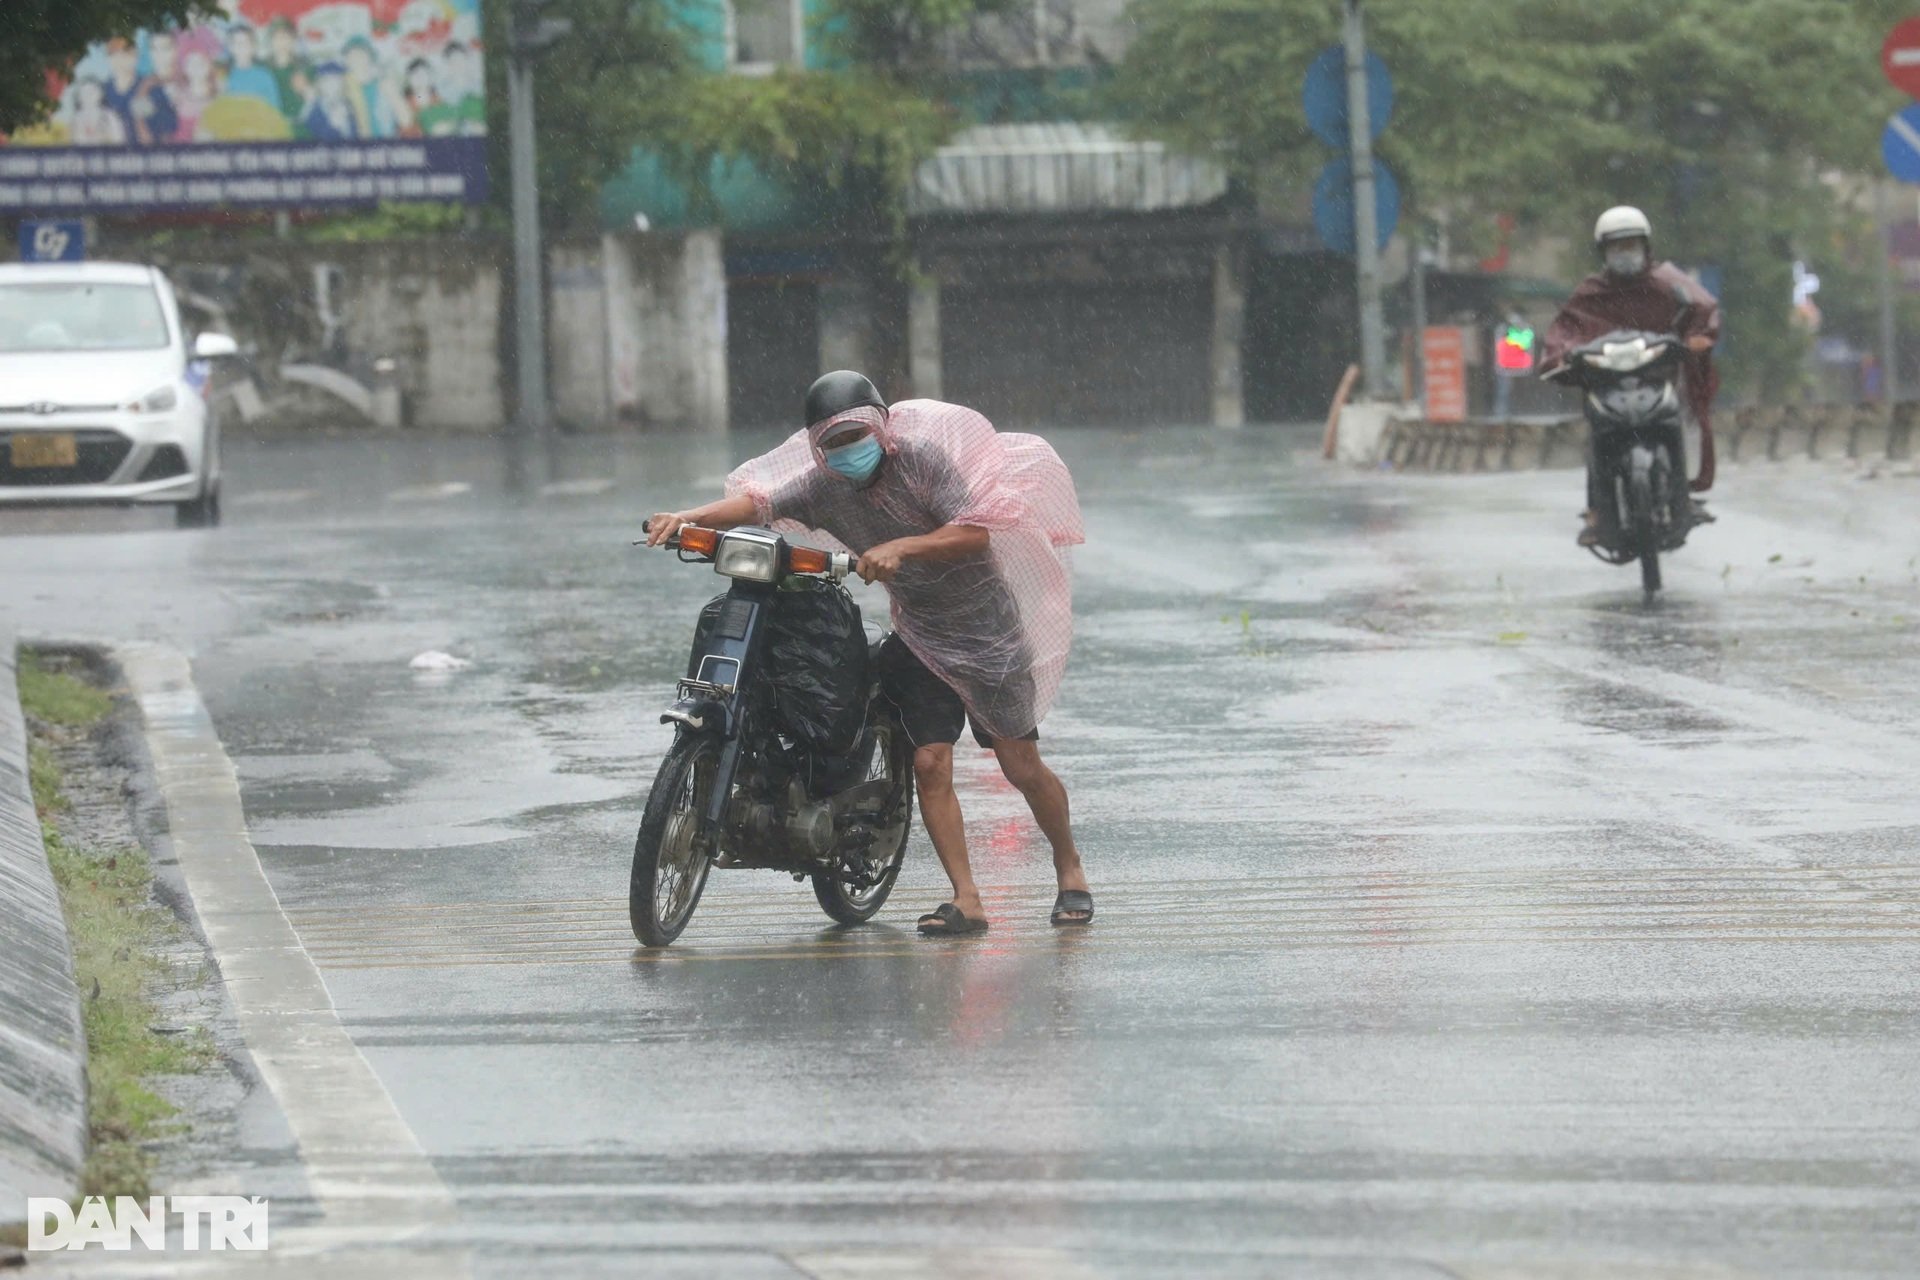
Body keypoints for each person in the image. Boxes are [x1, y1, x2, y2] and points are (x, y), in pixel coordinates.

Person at [645, 372, 1094, 934]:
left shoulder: (923, 462)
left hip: (988, 633)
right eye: (832, 443)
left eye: (855, 435)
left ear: (882, 428)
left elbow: (976, 532)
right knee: (930, 763)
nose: (846, 450)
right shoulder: (820, 487)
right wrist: (684, 517)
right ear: (816, 448)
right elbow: (756, 504)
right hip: (923, 636)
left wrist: (904, 546)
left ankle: (1069, 866)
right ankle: (967, 899)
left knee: (1019, 765)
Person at [1541, 206, 1720, 549]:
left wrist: (1696, 337)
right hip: (1606, 385)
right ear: (1604, 253)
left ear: (1646, 247)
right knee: (1596, 437)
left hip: (1657, 379)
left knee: (1677, 423)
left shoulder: (1669, 282)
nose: (1625, 255)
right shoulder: (1590, 293)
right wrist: (1562, 356)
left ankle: (1681, 497)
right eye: (1617, 248)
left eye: (1631, 246)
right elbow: (1565, 331)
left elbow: (1703, 309)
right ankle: (1597, 511)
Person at [220, 25, 282, 112]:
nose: (242, 46)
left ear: (253, 46)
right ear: (230, 47)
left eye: (246, 42)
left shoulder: (264, 75)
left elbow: (274, 108)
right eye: (237, 43)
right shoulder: (224, 76)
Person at [67, 77, 128, 146]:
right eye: (85, 92)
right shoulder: (76, 119)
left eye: (93, 91)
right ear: (78, 97)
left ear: (101, 94)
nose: (89, 95)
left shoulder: (110, 117)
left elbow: (119, 140)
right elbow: (76, 143)